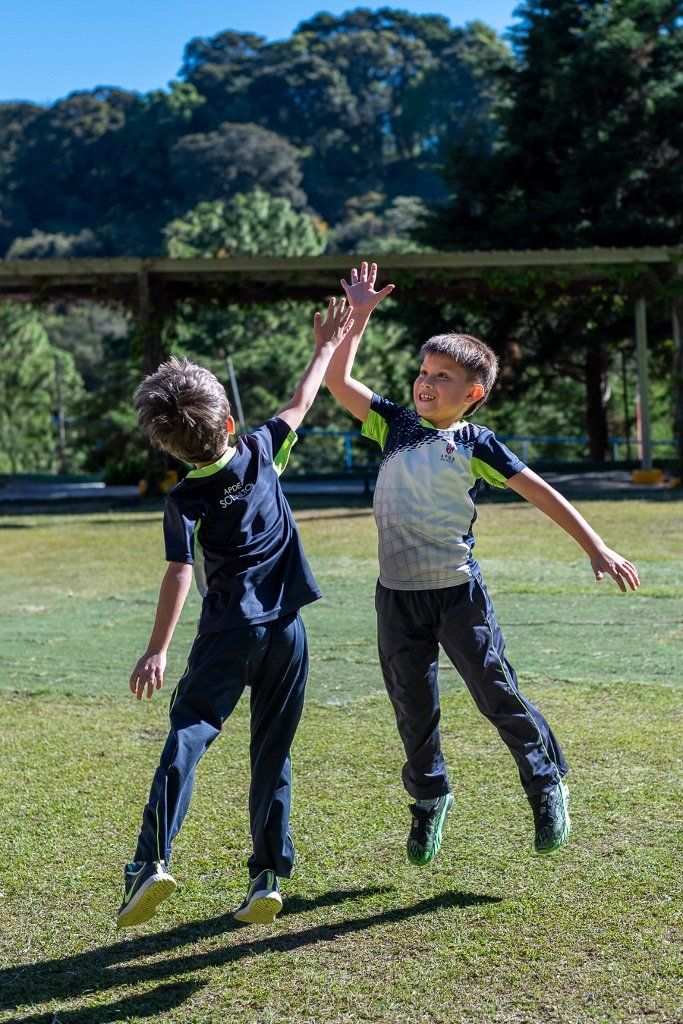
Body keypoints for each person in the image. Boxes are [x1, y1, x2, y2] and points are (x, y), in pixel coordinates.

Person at [326, 261, 640, 866]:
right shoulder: (394, 425)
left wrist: (596, 546)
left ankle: (546, 782)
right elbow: (338, 381)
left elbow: (542, 491)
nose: (426, 382)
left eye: (442, 376)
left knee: (496, 691)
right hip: (395, 596)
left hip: (456, 595)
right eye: (423, 372)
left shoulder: (475, 443)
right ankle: (428, 800)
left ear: (472, 392)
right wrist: (359, 318)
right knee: (411, 706)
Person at [116, 296, 353, 930]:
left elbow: (179, 572)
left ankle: (151, 862)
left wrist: (158, 649)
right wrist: (329, 342)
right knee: (273, 751)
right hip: (287, 632)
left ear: (170, 447)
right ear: (226, 423)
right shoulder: (261, 449)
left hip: (227, 634)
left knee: (189, 733)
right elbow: (303, 399)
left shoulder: (184, 498)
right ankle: (268, 875)